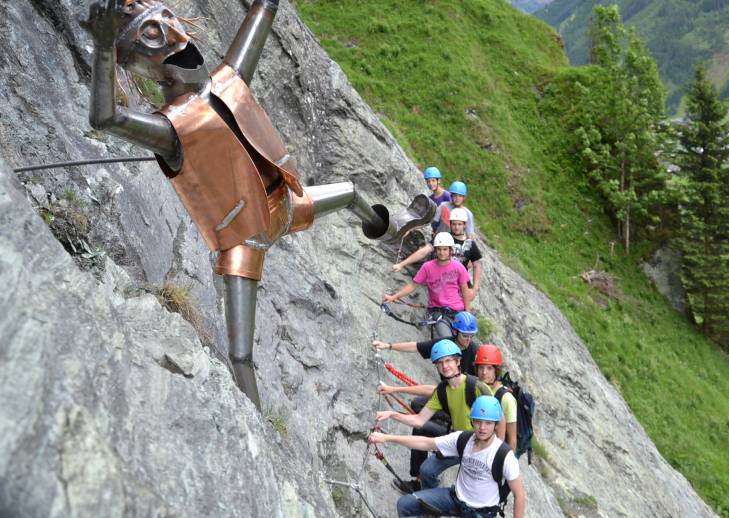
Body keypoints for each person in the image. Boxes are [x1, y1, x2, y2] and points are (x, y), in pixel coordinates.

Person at [83, 0, 434, 410]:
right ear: (146, 61)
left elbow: (265, 9)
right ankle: (258, 422)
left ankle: (393, 228)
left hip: (288, 202)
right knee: (240, 354)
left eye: (169, 24)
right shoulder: (171, 127)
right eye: (155, 34)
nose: (178, 36)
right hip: (244, 244)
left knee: (353, 192)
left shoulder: (228, 80)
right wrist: (106, 47)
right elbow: (105, 120)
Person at [370, 395, 525, 518]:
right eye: (478, 422)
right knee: (405, 505)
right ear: (472, 421)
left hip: (481, 512)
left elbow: (519, 495)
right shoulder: (464, 439)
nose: (482, 428)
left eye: (488, 423)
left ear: (496, 425)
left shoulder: (504, 455)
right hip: (455, 498)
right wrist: (387, 438)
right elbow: (425, 443)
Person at [375, 340, 495, 492]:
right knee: (427, 470)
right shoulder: (442, 391)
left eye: (448, 361)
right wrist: (392, 414)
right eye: (440, 363)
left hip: (479, 445)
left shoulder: (477, 387)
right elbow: (419, 420)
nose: (445, 366)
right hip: (457, 440)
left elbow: (498, 421)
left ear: (458, 361)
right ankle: (427, 497)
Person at [384, 232, 472, 337]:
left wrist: (468, 313)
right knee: (448, 339)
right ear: (435, 250)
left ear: (450, 250)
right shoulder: (427, 267)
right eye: (439, 249)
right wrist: (394, 296)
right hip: (438, 312)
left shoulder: (458, 267)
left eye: (445, 249)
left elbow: (464, 290)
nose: (441, 252)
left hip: (458, 311)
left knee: (465, 342)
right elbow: (412, 285)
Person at [393, 208, 482, 301]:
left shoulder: (470, 244)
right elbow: (424, 251)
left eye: (459, 224)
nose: (456, 227)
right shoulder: (442, 237)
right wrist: (401, 264)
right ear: (450, 224)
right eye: (454, 224)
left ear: (464, 225)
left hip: (458, 285)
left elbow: (476, 265)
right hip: (438, 280)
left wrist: (475, 288)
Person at [474, 344, 517, 451]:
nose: (484, 373)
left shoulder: (506, 398)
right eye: (481, 368)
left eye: (489, 368)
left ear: (496, 371)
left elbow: (512, 441)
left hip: (496, 451)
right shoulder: (477, 388)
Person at [424, 167, 452, 233]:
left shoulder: (447, 196)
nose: (430, 183)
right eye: (428, 181)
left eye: (433, 180)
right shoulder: (430, 199)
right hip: (435, 232)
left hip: (446, 232)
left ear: (438, 181)